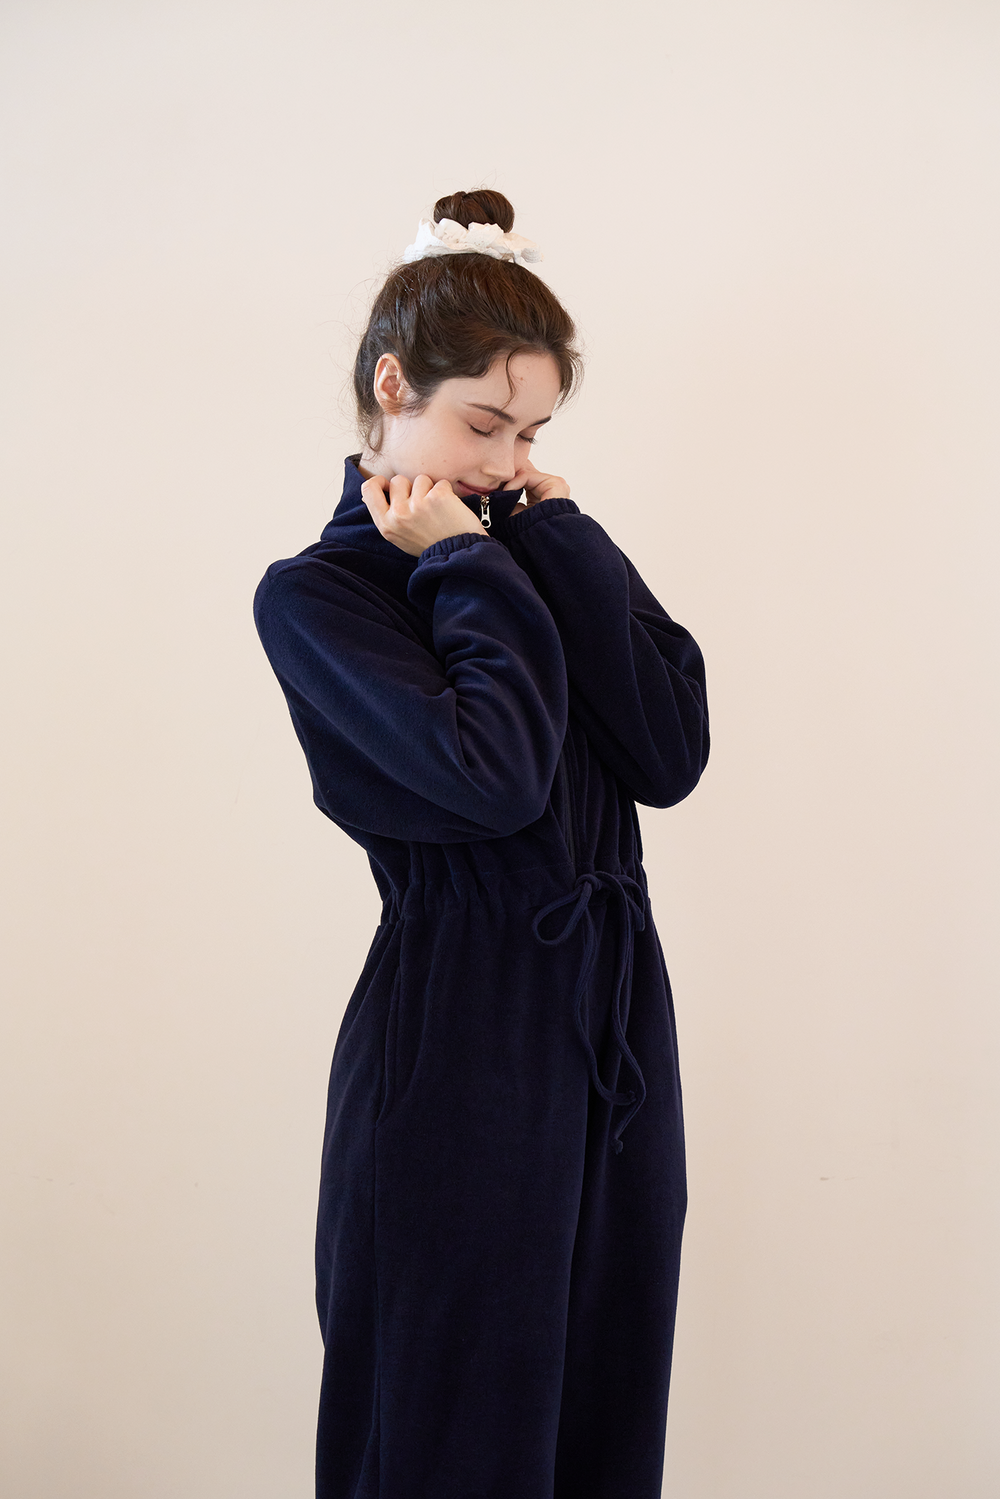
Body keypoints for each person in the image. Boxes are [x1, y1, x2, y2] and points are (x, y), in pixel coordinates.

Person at [253, 188, 710, 1499]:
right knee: (454, 1430)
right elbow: (495, 777)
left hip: (616, 1035)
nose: (508, 464)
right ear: (392, 386)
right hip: (459, 1048)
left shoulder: (534, 550)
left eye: (533, 434)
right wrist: (464, 561)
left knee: (604, 1405)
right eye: (483, 425)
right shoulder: (322, 597)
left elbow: (669, 750)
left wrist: (560, 538)